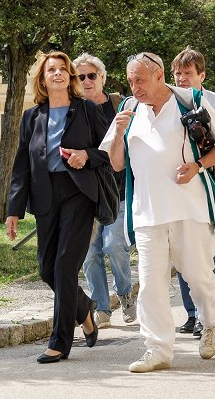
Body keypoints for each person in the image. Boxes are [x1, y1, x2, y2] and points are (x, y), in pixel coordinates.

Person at [100, 52, 215, 373]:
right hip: (147, 213)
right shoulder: (128, 110)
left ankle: (211, 322)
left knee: (199, 277)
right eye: (131, 81)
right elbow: (117, 163)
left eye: (140, 80)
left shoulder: (192, 102)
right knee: (150, 284)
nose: (135, 87)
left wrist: (198, 166)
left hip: (191, 209)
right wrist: (118, 133)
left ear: (159, 76)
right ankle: (157, 349)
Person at [5, 51, 109, 364]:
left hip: (79, 193)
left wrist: (86, 156)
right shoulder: (31, 117)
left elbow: (109, 149)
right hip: (45, 196)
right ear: (43, 78)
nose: (58, 74)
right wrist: (13, 210)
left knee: (65, 267)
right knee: (47, 269)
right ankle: (83, 309)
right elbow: (22, 165)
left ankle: (60, 342)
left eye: (64, 69)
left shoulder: (87, 110)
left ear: (71, 77)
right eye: (52, 70)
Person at [171, 46, 215, 337]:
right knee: (181, 250)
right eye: (178, 73)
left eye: (188, 73)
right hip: (178, 185)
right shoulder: (169, 102)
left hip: (210, 180)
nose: (182, 79)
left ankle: (205, 313)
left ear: (202, 75)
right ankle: (191, 313)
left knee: (205, 248)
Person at [73, 52, 136, 329]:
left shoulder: (118, 106)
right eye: (80, 77)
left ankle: (125, 293)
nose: (86, 81)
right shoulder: (72, 110)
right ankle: (101, 307)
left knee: (114, 245)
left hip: (119, 191)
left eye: (91, 76)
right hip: (86, 194)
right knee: (89, 253)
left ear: (102, 78)